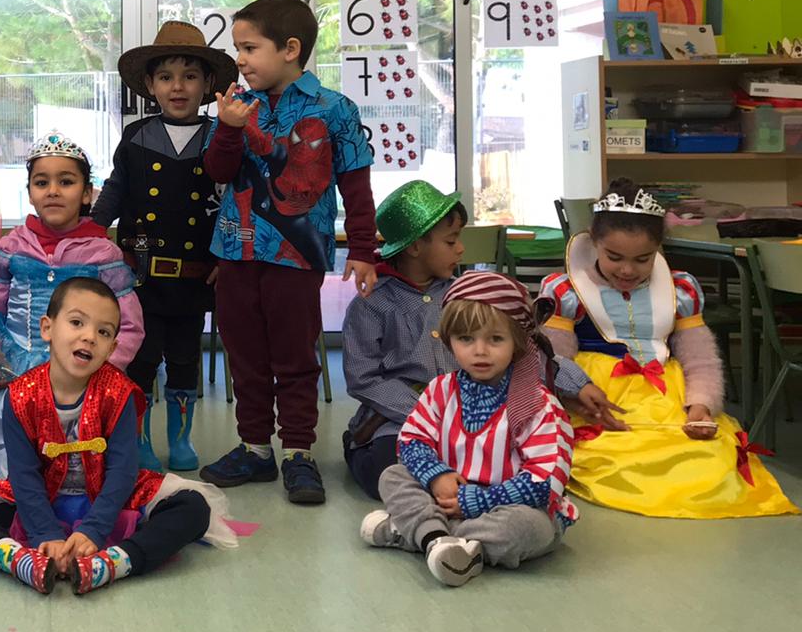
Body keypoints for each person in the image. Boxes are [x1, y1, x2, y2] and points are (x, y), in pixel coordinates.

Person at [0, 278, 237, 595]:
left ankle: (113, 563)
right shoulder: (21, 396)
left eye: (103, 332)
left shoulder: (119, 393)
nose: (89, 337)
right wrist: (45, 534)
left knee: (193, 507)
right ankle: (22, 562)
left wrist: (94, 530)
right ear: (47, 328)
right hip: (43, 499)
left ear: (112, 348)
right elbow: (24, 474)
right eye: (77, 322)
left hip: (111, 500)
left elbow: (122, 471)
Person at [200, 0, 378, 503]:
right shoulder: (236, 105)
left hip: (297, 258)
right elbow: (217, 171)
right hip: (236, 254)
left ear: (290, 49)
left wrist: (362, 249)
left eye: (249, 47)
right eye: (237, 48)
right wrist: (229, 128)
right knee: (244, 355)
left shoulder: (335, 109)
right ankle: (255, 448)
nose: (240, 59)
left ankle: (298, 452)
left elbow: (356, 186)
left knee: (295, 356)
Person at [537, 179, 797, 519]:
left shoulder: (680, 288)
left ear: (658, 249)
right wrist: (572, 393)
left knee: (707, 458)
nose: (627, 270)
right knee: (615, 456)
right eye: (614, 257)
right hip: (594, 392)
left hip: (664, 391)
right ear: (594, 242)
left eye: (643, 259)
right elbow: (552, 358)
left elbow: (700, 357)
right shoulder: (566, 291)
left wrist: (701, 405)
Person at [341, 181, 615, 500]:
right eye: (451, 241)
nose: (460, 249)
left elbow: (525, 346)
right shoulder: (371, 305)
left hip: (480, 411)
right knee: (388, 467)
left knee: (523, 456)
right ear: (415, 247)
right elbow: (364, 379)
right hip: (400, 418)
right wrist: (427, 413)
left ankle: (469, 488)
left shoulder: (469, 297)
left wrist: (576, 383)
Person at [363, 273, 578, 588]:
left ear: (518, 341)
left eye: (495, 339)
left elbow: (545, 480)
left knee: (530, 528)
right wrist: (436, 476)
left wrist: (478, 500)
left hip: (506, 508)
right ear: (449, 341)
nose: (480, 351)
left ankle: (423, 534)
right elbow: (412, 440)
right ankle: (450, 546)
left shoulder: (536, 404)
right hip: (445, 495)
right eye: (466, 339)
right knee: (393, 475)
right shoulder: (440, 389)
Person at [93, 21, 234, 472]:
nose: (178, 87)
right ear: (150, 85)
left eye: (190, 76)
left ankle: (181, 439)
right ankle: (138, 441)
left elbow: (234, 203)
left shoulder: (221, 137)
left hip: (195, 277)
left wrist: (227, 255)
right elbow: (115, 190)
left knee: (186, 360)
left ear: (208, 84)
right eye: (167, 77)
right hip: (141, 277)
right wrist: (89, 234)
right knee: (141, 359)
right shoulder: (136, 136)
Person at [0, 132, 142, 478]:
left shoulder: (103, 254)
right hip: (15, 369)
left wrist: (100, 368)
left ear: (87, 193)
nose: (53, 191)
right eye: (42, 182)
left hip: (82, 370)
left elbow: (129, 326)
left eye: (66, 182)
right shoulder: (12, 247)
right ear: (30, 192)